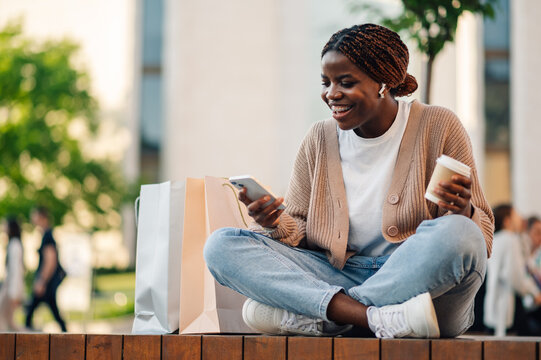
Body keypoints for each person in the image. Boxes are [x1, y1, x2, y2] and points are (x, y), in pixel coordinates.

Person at [204, 23, 494, 339]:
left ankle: (328, 318)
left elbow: (482, 238)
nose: (331, 94)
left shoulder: (438, 125)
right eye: (326, 82)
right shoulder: (319, 138)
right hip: (339, 277)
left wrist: (464, 211)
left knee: (460, 234)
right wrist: (275, 222)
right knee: (221, 246)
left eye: (345, 82)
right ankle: (375, 319)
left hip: (420, 288)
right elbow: (300, 232)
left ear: (383, 82)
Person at [484, 205, 541, 336]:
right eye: (516, 215)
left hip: (493, 303)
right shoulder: (511, 240)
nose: (520, 218)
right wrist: (534, 293)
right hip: (505, 304)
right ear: (507, 221)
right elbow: (515, 276)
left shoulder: (495, 239)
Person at [25, 207, 67, 332]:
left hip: (47, 282)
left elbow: (50, 261)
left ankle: (25, 336)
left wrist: (41, 281)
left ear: (42, 217)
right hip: (47, 282)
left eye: (35, 216)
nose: (32, 219)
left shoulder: (48, 236)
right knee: (52, 312)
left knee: (32, 311)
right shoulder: (46, 235)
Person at [0, 218, 25, 331]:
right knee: (9, 321)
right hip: (9, 287)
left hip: (11, 288)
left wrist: (14, 292)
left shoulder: (14, 245)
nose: (3, 227)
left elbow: (16, 270)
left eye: (5, 224)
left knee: (5, 318)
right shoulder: (13, 243)